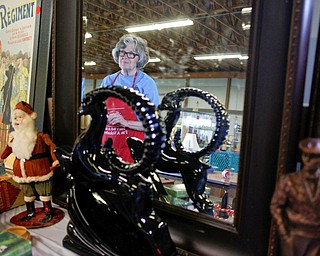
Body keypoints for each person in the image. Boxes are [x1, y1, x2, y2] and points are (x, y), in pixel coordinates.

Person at [100, 34, 160, 162]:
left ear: (139, 58)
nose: (125, 57)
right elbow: (98, 113)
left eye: (131, 54)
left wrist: (125, 123)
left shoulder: (146, 84)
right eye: (122, 52)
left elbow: (153, 124)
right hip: (108, 147)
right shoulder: (108, 81)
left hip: (134, 151)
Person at [0, 101, 59, 223]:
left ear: (29, 118)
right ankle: (30, 212)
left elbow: (52, 147)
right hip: (21, 172)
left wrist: (55, 160)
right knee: (27, 192)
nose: (16, 120)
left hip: (39, 169)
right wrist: (2, 157)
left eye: (20, 117)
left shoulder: (41, 137)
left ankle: (48, 211)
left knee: (44, 190)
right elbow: (8, 149)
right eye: (15, 118)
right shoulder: (15, 138)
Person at [270, 138, 320, 256]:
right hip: (295, 234)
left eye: (312, 157)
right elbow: (276, 206)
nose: (307, 160)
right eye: (305, 155)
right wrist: (284, 232)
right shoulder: (289, 181)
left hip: (316, 237)